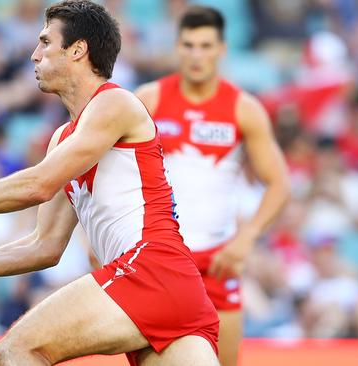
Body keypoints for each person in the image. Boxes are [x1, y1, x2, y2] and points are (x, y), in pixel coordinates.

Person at [0, 1, 219, 365]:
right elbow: (44, 246)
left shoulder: (116, 103)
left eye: (45, 42)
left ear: (78, 50)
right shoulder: (64, 139)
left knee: (16, 349)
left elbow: (39, 184)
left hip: (149, 269)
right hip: (172, 287)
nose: (33, 55)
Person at [134, 6, 290, 366]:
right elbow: (111, 170)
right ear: (177, 47)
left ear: (222, 49)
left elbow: (280, 183)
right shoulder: (150, 100)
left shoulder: (243, 109)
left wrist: (245, 239)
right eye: (188, 45)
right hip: (163, 258)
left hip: (218, 262)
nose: (196, 55)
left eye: (206, 45)